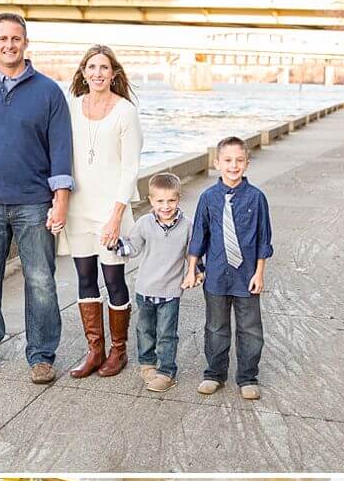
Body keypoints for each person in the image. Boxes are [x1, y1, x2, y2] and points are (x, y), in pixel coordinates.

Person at [0, 12, 73, 385]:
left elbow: (60, 151)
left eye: (16, 39)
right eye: (2, 39)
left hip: (34, 202)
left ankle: (41, 355)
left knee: (41, 281)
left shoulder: (49, 92)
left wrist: (61, 200)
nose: (9, 45)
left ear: (26, 42)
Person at [59, 45, 143, 379]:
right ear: (83, 72)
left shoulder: (125, 112)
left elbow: (130, 168)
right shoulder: (72, 108)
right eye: (91, 67)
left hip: (111, 211)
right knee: (84, 278)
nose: (97, 73)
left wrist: (116, 216)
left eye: (104, 68)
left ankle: (118, 351)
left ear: (114, 74)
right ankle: (94, 351)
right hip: (79, 209)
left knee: (113, 279)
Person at [186, 136, 274, 401]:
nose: (233, 166)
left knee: (250, 328)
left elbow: (263, 239)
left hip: (246, 276)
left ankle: (248, 376)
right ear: (217, 163)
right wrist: (193, 269)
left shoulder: (257, 198)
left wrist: (259, 273)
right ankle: (214, 374)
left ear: (247, 163)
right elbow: (199, 237)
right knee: (215, 327)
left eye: (238, 161)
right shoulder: (208, 198)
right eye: (227, 161)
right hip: (216, 275)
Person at [109, 172, 195, 392]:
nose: (166, 206)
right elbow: (133, 248)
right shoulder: (145, 223)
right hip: (145, 289)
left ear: (179, 198)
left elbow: (192, 253)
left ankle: (166, 371)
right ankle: (147, 364)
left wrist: (196, 271)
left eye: (171, 201)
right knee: (144, 330)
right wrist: (114, 244)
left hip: (171, 292)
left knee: (167, 334)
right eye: (160, 201)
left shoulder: (187, 225)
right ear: (151, 200)